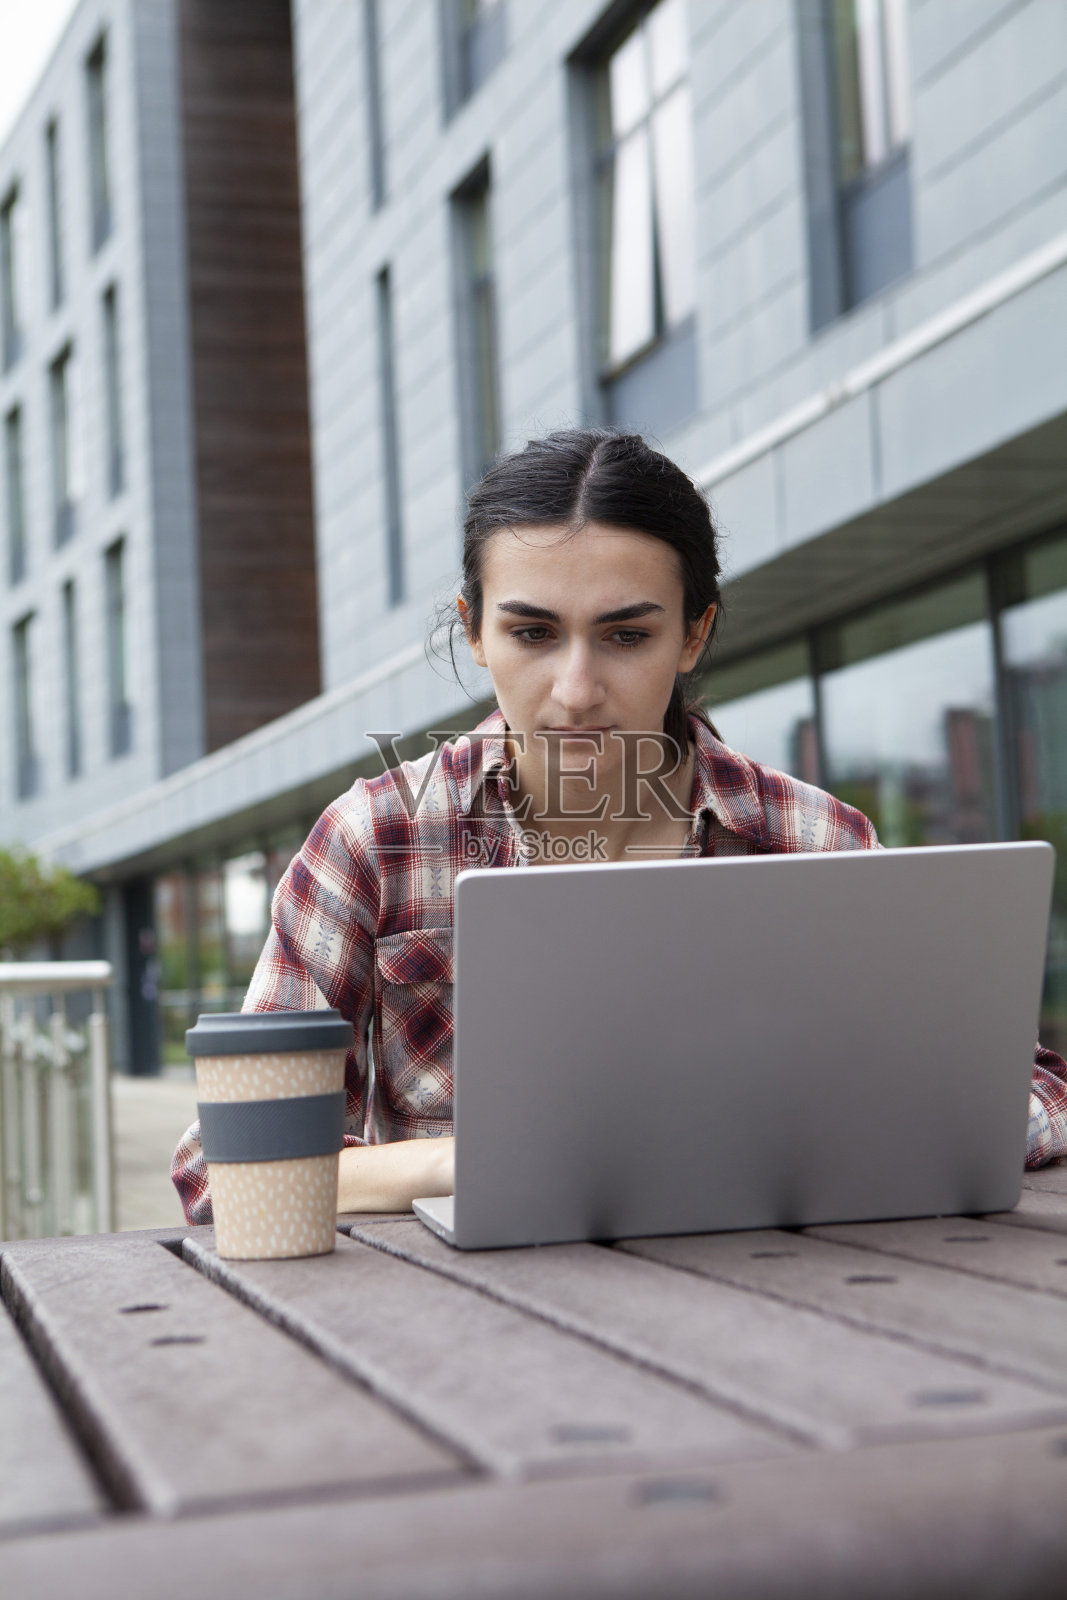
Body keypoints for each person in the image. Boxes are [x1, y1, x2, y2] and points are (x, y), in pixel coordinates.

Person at [172, 430, 1067, 1224]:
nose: (574, 691)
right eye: (531, 634)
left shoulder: (810, 836)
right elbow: (226, 1168)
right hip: (458, 1332)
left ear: (692, 635)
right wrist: (476, 1162)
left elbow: (1032, 1092)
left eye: (626, 637)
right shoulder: (376, 837)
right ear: (474, 631)